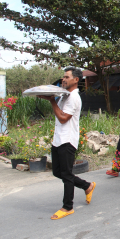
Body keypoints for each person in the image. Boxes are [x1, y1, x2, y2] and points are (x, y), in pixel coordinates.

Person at [39, 67, 96, 220]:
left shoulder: (74, 98)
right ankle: (87, 186)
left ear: (76, 79)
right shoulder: (65, 95)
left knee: (66, 174)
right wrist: (48, 97)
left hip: (68, 140)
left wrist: (52, 101)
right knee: (58, 172)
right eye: (63, 77)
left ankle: (67, 206)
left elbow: (63, 118)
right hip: (58, 139)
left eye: (66, 77)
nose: (63, 79)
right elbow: (57, 108)